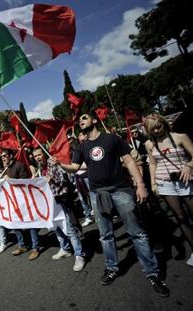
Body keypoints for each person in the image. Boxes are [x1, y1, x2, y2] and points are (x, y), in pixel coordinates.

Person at [54, 113, 169, 297]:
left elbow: (130, 161)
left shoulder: (112, 139)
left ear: (94, 120)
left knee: (137, 233)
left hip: (121, 190)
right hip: (98, 195)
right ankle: (111, 267)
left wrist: (140, 184)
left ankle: (153, 273)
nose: (81, 121)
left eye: (84, 118)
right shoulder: (82, 147)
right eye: (79, 120)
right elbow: (75, 168)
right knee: (105, 235)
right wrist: (60, 163)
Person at [144, 113, 193, 267]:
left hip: (185, 180)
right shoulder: (149, 144)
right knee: (180, 217)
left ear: (164, 124)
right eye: (153, 129)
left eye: (158, 127)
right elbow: (152, 164)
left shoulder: (180, 137)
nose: (157, 131)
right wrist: (153, 184)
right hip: (165, 184)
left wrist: (189, 165)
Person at [33, 147, 86, 272]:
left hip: (62, 200)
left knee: (69, 228)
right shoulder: (41, 168)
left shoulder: (53, 163)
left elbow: (63, 180)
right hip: (51, 203)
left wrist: (52, 180)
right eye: (35, 156)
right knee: (55, 226)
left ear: (44, 154)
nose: (38, 158)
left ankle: (79, 255)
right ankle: (65, 248)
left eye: (39, 155)